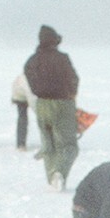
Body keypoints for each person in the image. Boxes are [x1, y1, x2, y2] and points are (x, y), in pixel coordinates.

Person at [25, 25, 80, 189]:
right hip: (63, 103)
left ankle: (52, 178)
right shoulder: (62, 58)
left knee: (48, 145)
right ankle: (60, 173)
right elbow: (73, 79)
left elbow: (30, 81)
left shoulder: (32, 61)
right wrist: (71, 94)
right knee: (69, 145)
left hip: (41, 104)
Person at [11, 71, 32, 150]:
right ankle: (21, 144)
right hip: (19, 95)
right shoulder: (27, 81)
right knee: (22, 118)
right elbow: (32, 99)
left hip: (23, 90)